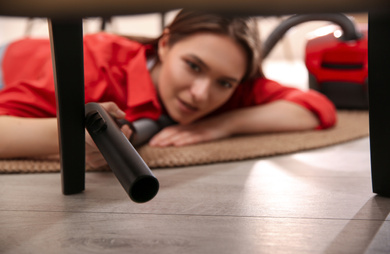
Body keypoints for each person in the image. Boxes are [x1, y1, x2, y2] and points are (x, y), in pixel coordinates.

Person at [0, 10, 336, 168]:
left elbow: (316, 107)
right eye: (193, 66)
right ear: (165, 44)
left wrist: (220, 125)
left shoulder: (230, 89)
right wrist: (75, 136)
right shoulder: (93, 68)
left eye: (224, 83)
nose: (201, 94)